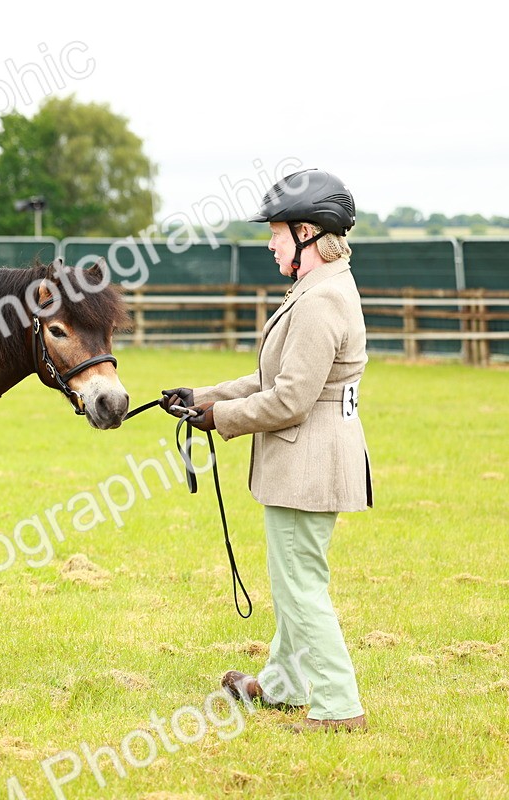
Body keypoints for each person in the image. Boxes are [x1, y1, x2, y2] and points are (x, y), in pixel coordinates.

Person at [161, 169, 371, 732]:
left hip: (308, 466)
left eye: (277, 232)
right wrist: (201, 397)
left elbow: (289, 401)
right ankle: (281, 684)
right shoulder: (318, 291)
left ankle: (338, 707)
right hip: (308, 464)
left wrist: (218, 417)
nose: (271, 242)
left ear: (307, 233)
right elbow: (269, 376)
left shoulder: (321, 300)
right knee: (294, 580)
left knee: (302, 588)